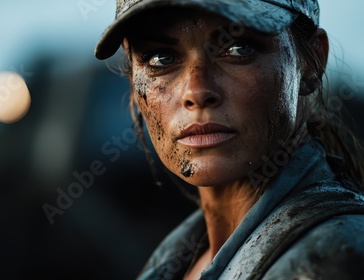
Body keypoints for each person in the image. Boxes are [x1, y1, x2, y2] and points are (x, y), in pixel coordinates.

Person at [95, 0, 364, 279]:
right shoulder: (179, 257)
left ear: (312, 62)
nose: (196, 91)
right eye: (161, 58)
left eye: (238, 49)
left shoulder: (331, 258)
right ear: (132, 76)